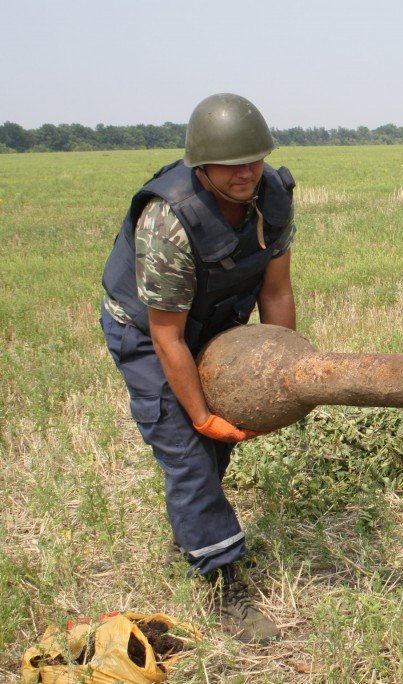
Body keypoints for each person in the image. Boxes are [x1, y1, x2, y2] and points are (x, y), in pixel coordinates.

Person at [100, 93, 297, 645]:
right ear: (201, 167)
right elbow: (165, 335)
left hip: (213, 320)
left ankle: (194, 534)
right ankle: (223, 582)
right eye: (232, 165)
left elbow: (276, 292)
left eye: (254, 159)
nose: (247, 173)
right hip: (148, 332)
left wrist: (281, 376)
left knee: (220, 439)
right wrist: (199, 414)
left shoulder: (274, 197)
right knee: (187, 446)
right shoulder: (169, 219)